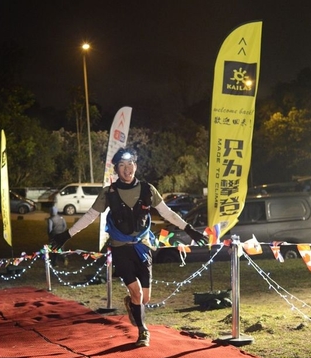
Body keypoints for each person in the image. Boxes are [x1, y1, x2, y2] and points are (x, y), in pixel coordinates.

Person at [64, 147, 206, 347]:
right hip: (120, 249)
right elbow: (89, 216)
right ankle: (143, 331)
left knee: (144, 298)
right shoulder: (109, 193)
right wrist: (66, 234)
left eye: (130, 164)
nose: (126, 168)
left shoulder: (148, 190)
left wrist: (189, 229)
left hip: (142, 247)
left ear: (136, 166)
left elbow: (167, 213)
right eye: (122, 165)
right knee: (137, 292)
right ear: (116, 169)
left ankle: (132, 304)